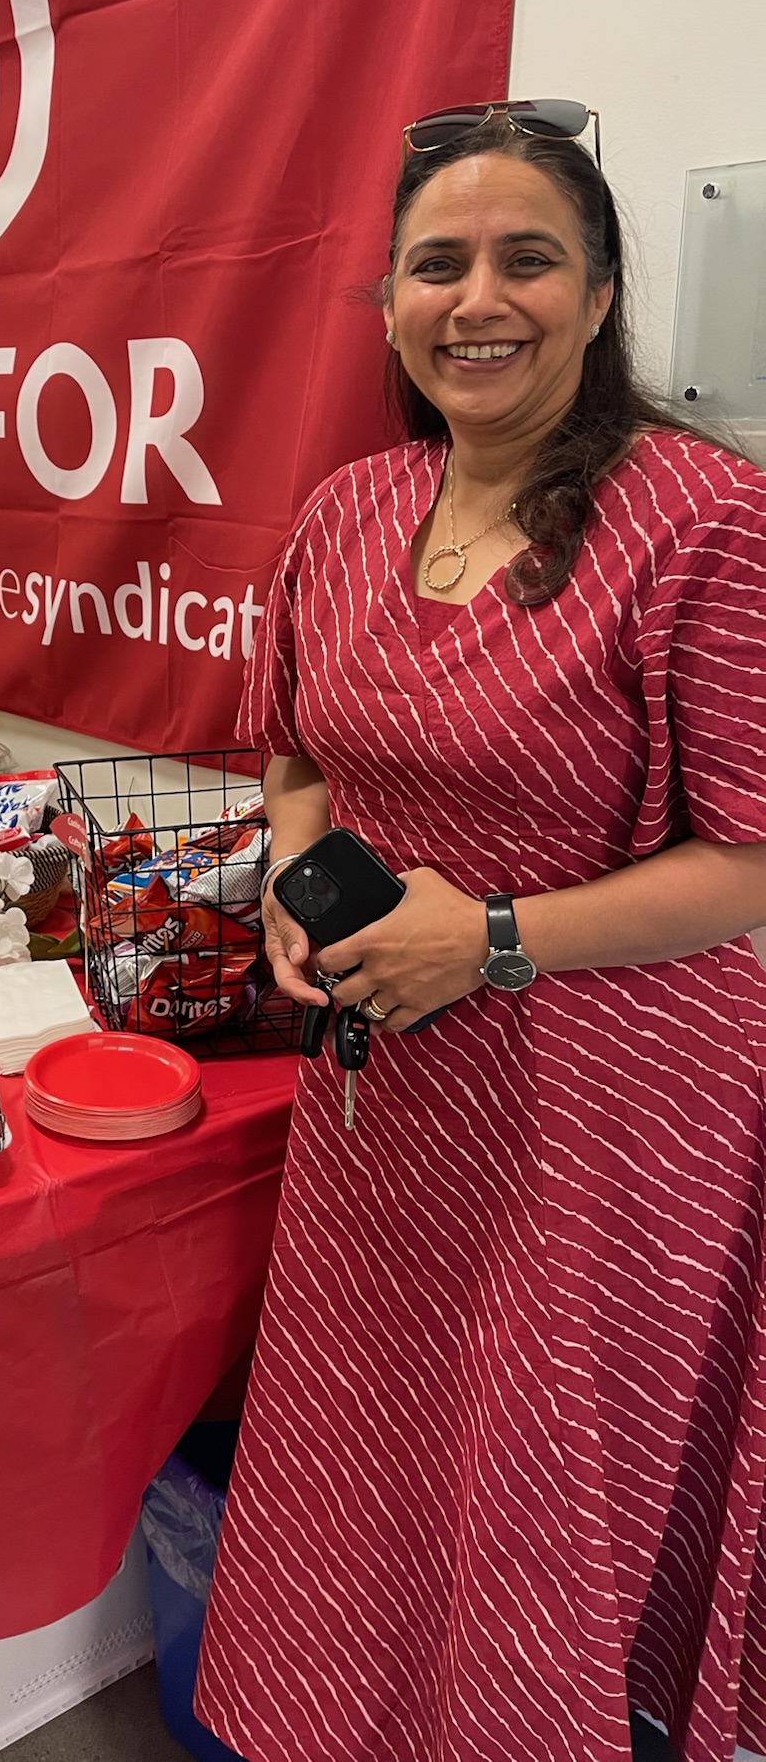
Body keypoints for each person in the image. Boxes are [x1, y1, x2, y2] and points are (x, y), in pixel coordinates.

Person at [193, 101, 766, 1762]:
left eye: (531, 259)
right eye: (437, 264)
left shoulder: (704, 523)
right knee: (377, 1451)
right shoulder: (352, 510)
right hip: (390, 1096)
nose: (478, 298)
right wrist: (306, 893)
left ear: (598, 298)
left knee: (532, 1477)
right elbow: (294, 749)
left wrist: (496, 937)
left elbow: (750, 858)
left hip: (606, 1109)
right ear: (388, 303)